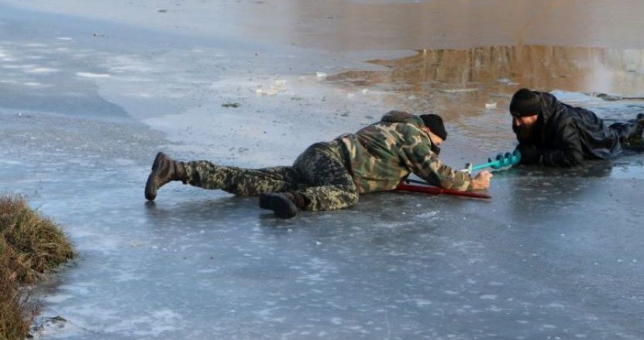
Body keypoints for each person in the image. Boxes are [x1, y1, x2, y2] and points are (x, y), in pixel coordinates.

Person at [144, 111, 493, 218]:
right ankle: (295, 200)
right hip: (332, 164)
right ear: (428, 132)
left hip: (315, 157)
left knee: (250, 179)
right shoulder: (412, 134)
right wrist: (473, 181)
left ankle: (175, 169)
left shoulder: (388, 127)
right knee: (346, 194)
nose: (435, 153)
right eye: (437, 146)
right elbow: (438, 174)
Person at [509, 88, 644, 167]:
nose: (516, 123)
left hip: (593, 130)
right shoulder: (522, 119)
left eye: (520, 118)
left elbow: (574, 157)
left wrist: (538, 156)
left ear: (534, 114)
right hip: (575, 120)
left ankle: (637, 124)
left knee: (616, 136)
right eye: (514, 117)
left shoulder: (562, 123)